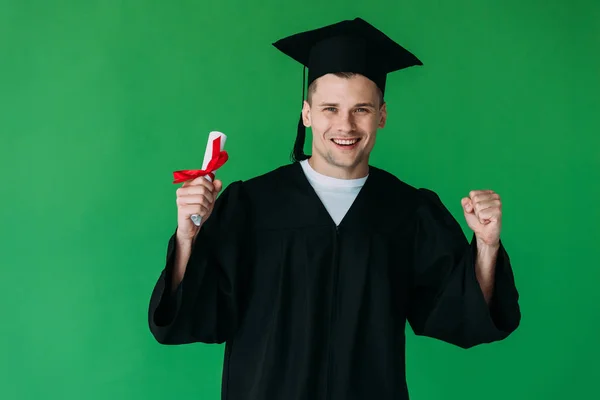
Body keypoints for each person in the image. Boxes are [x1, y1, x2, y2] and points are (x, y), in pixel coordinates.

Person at [147, 17, 521, 400]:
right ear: (307, 114)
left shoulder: (408, 211)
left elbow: (460, 314)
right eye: (330, 108)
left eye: (361, 109)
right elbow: (196, 314)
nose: (345, 125)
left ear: (382, 115)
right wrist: (187, 236)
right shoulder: (251, 205)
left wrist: (487, 245)